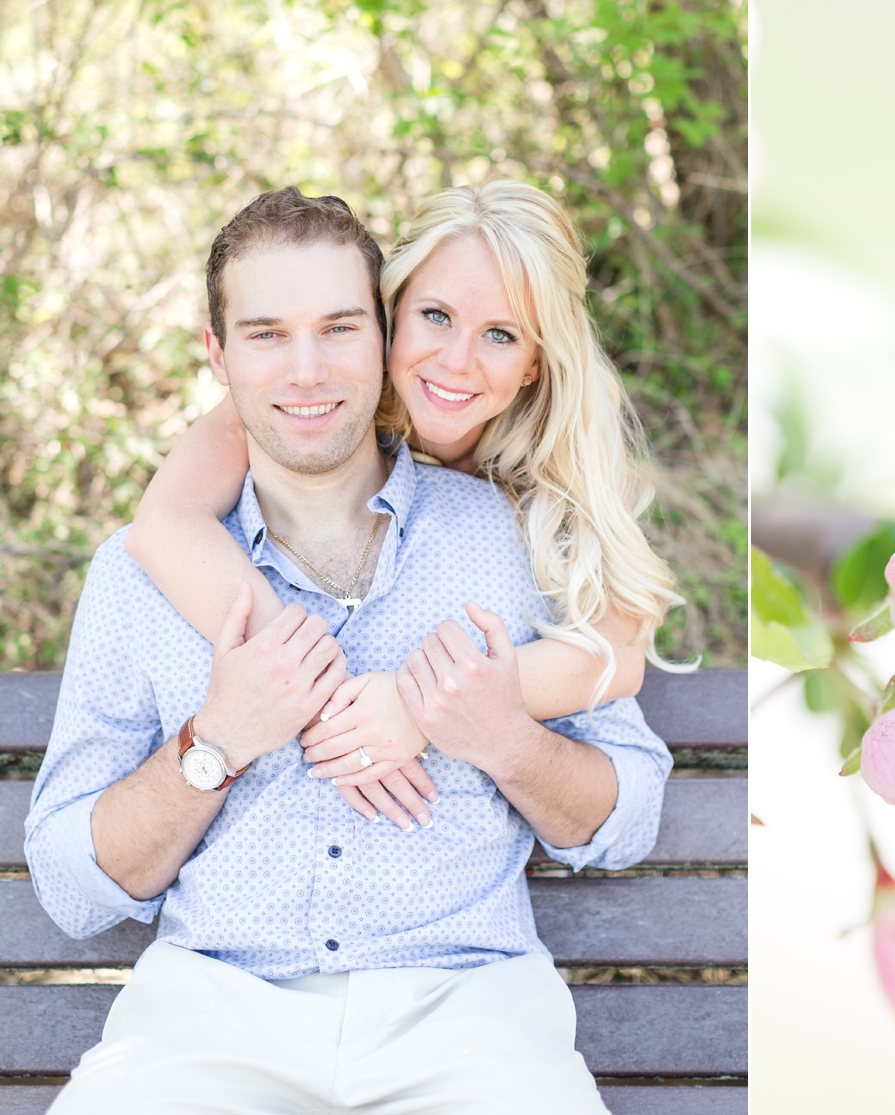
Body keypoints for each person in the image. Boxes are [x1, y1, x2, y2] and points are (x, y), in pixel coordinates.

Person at [25, 185, 674, 1113]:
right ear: (217, 354)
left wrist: (499, 733)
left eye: (338, 327)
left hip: (468, 1016)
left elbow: (630, 806)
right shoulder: (144, 572)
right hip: (210, 1020)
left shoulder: (524, 535)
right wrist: (214, 742)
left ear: (377, 335)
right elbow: (70, 886)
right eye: (264, 335)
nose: (306, 370)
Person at [124, 182, 683, 829]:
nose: (455, 362)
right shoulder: (315, 402)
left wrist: (416, 707)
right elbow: (163, 523)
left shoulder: (563, 456)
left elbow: (615, 655)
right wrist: (329, 702)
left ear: (535, 362)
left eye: (500, 334)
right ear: (390, 311)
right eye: (436, 316)